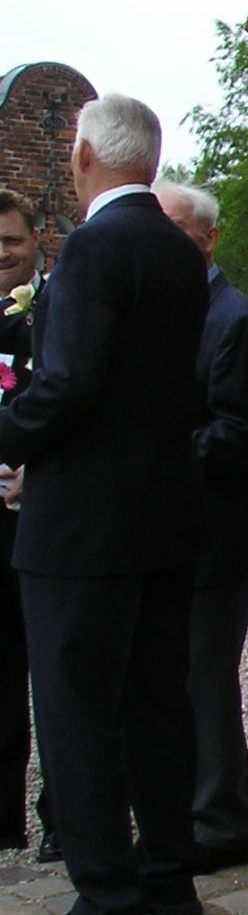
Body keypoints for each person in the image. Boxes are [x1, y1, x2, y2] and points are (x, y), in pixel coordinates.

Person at [0, 94, 209, 915]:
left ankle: (107, 902)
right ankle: (168, 876)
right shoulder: (177, 250)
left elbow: (69, 382)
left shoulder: (93, 246)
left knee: (77, 711)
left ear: (83, 155)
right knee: (156, 701)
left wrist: (8, 434)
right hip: (162, 514)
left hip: (83, 524)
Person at [156, 180, 248, 871]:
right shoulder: (169, 309)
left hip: (215, 537)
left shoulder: (233, 318)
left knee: (206, 679)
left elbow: (237, 434)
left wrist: (151, 450)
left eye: (175, 226)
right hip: (171, 532)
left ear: (208, 237)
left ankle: (222, 824)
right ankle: (207, 810)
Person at [0, 187, 42, 853]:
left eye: (10, 240)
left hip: (34, 516)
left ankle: (61, 818)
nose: (2, 254)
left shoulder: (49, 314)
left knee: (51, 676)